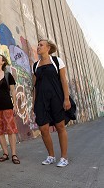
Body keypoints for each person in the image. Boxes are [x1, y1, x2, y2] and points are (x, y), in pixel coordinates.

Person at [32, 39, 71, 167]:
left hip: (56, 97)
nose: (38, 47)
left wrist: (66, 98)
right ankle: (51, 156)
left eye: (41, 45)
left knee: (60, 126)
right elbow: (35, 86)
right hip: (41, 100)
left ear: (48, 48)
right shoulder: (35, 65)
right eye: (38, 45)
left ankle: (64, 157)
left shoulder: (56, 61)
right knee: (43, 128)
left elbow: (63, 81)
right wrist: (34, 103)